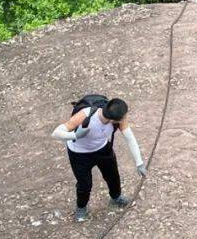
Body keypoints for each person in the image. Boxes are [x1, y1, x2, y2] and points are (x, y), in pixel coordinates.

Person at [52, 95, 146, 223]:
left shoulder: (119, 118)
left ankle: (116, 197)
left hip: (102, 149)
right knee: (84, 185)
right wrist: (74, 135)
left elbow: (129, 138)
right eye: (122, 117)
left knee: (113, 176)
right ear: (113, 119)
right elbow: (56, 133)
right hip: (79, 154)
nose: (125, 119)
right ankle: (81, 208)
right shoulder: (85, 115)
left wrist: (139, 162)